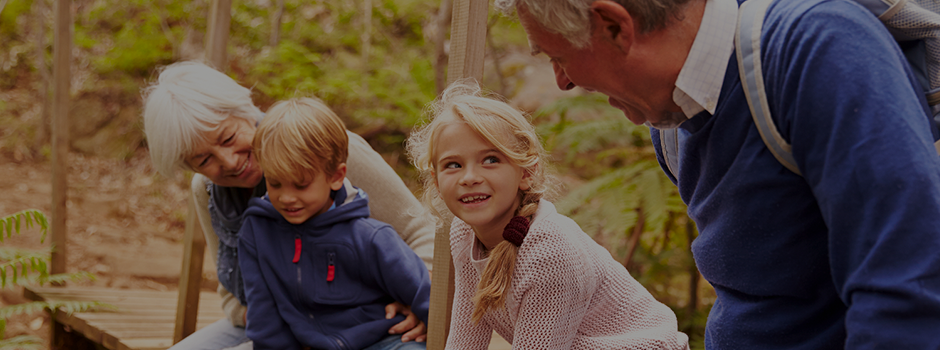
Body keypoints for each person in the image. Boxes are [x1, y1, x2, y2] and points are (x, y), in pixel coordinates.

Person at [496, 0, 940, 348]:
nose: (562, 82)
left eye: (558, 56)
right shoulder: (671, 121)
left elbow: (910, 299)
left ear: (613, 25)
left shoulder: (818, 50)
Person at [142, 61, 435, 350]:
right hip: (272, 325)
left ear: (244, 112)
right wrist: (276, 320)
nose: (229, 161)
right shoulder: (207, 190)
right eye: (204, 160)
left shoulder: (325, 151)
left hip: (366, 320)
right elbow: (230, 292)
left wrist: (419, 304)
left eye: (229, 138)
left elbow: (421, 231)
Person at [406, 81, 689, 349]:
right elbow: (468, 335)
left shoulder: (550, 253)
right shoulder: (463, 233)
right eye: (453, 164)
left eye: (490, 160)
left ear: (526, 172)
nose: (469, 177)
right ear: (436, 180)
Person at [238, 97, 429, 349]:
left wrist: (430, 321)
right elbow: (264, 313)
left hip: (383, 339)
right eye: (274, 183)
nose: (286, 197)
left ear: (336, 177)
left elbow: (423, 292)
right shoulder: (257, 231)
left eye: (301, 184)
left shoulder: (370, 236)